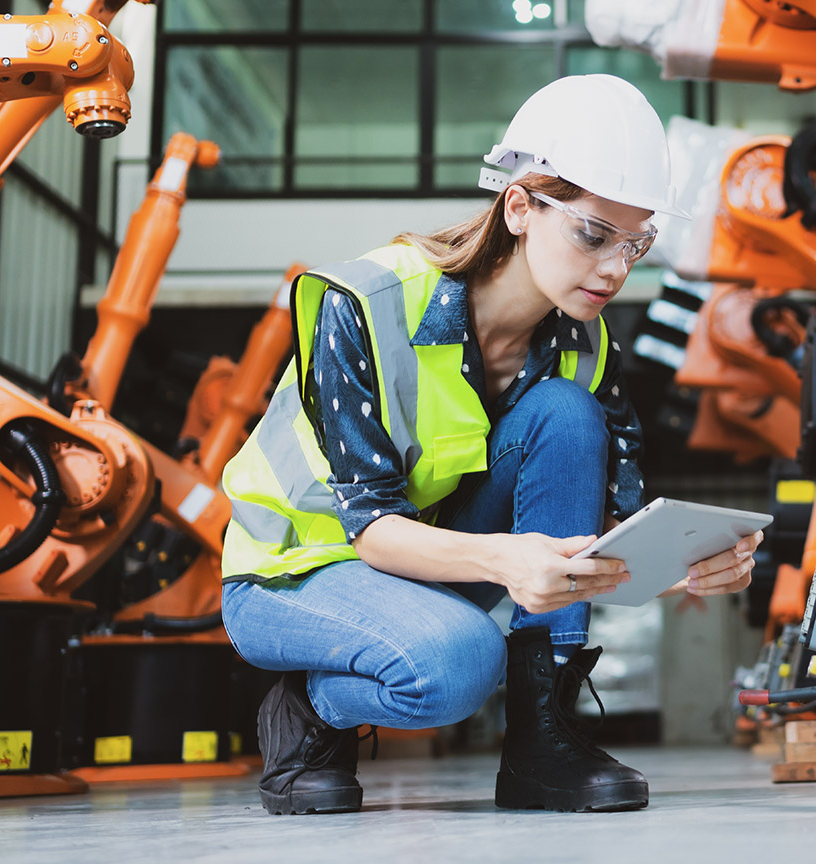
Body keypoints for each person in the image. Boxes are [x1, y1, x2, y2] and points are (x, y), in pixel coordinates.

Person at [218, 74, 761, 816]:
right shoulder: (365, 304)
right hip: (292, 572)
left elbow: (597, 539)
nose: (615, 269)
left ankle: (544, 739)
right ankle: (312, 710)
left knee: (567, 414)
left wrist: (682, 565)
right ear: (519, 206)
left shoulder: (585, 348)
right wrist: (506, 558)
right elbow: (369, 525)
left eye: (636, 243)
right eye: (593, 235)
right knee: (458, 663)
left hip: (427, 565)